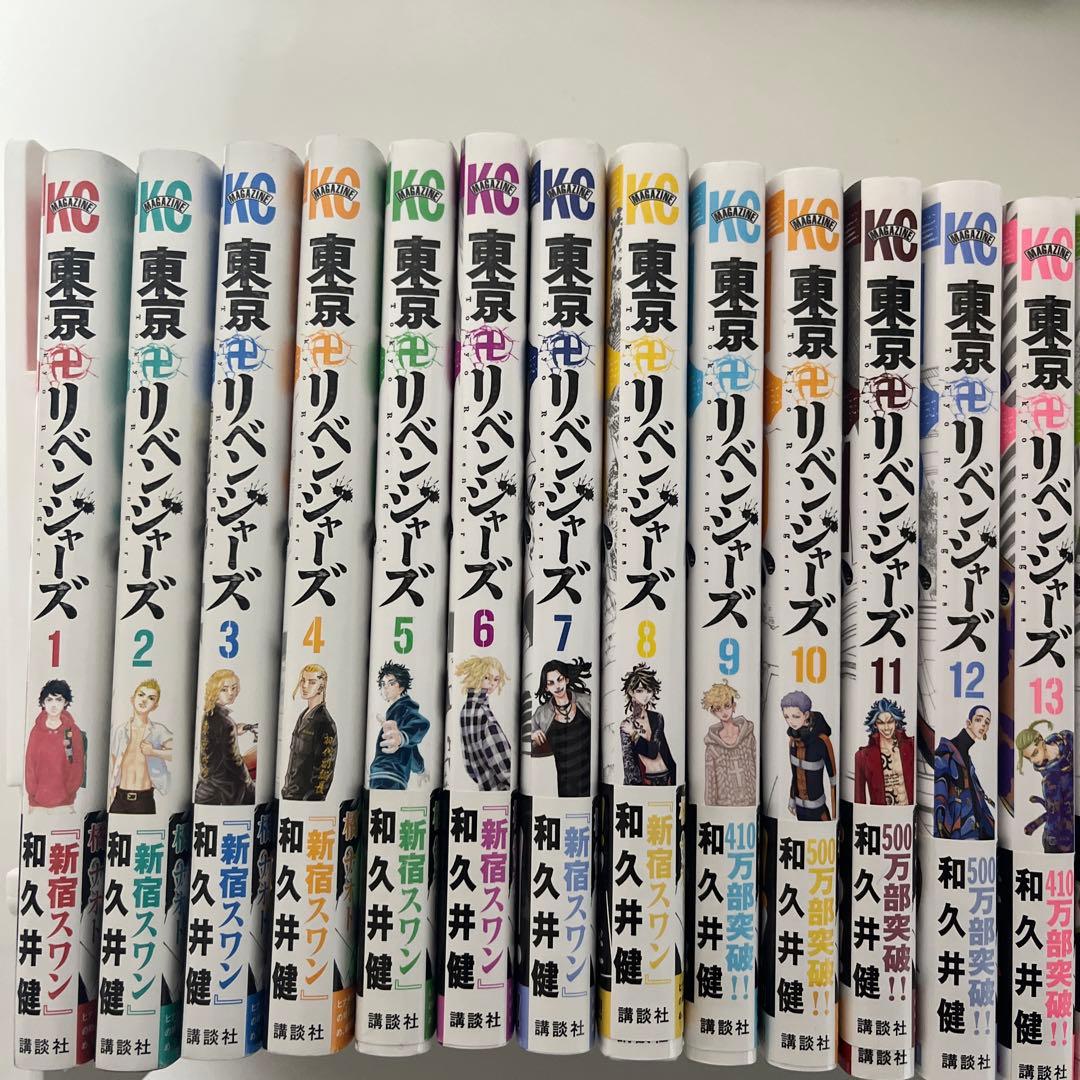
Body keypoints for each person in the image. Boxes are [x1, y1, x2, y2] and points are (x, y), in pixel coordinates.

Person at [108, 679, 173, 814]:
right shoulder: (120, 731)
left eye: (151, 698)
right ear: (132, 699)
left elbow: (175, 753)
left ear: (155, 706)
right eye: (141, 695)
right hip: (120, 797)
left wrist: (154, 752)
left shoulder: (158, 730)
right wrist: (111, 793)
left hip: (144, 799)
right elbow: (112, 761)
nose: (144, 700)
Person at [530, 657, 592, 797]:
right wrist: (533, 736)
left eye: (560, 679)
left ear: (566, 680)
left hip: (589, 784)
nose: (557, 686)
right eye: (551, 683)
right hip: (560, 788)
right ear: (546, 687)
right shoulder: (541, 714)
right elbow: (525, 743)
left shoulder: (587, 701)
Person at [194, 669, 254, 805]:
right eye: (224, 689)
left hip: (206, 784)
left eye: (234, 688)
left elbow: (214, 740)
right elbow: (234, 761)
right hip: (224, 789)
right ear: (214, 691)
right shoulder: (226, 723)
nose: (231, 693)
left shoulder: (209, 714)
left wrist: (234, 731)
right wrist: (249, 784)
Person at [934, 705, 994, 839]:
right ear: (968, 723)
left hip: (975, 831)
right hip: (956, 833)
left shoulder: (966, 758)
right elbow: (939, 797)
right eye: (978, 719)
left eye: (987, 722)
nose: (983, 725)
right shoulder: (946, 751)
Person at [369, 661, 430, 790]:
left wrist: (401, 737)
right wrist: (420, 769)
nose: (385, 688)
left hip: (389, 775)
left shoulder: (404, 708)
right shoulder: (394, 713)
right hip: (385, 774)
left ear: (401, 687)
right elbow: (411, 750)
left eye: (391, 683)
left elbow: (422, 723)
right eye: (383, 684)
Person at [25, 679, 85, 810]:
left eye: (58, 700)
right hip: (36, 802)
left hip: (66, 802)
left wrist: (69, 791)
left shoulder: (72, 731)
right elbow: (30, 764)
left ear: (65, 702)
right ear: (43, 703)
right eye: (49, 700)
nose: (53, 705)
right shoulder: (36, 731)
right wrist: (33, 792)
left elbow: (77, 763)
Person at [1016, 718, 1073, 854]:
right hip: (1063, 839)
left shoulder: (1068, 739)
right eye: (1029, 758)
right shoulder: (1050, 780)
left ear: (1041, 740)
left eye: (1034, 753)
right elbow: (1055, 815)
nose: (1033, 760)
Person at [455, 656, 512, 791]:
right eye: (487, 677)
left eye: (496, 679)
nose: (492, 683)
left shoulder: (465, 710)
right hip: (500, 791)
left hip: (483, 787)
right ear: (476, 675)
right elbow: (504, 766)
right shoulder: (485, 715)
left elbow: (468, 762)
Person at [281, 664, 337, 801]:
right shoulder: (303, 717)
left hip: (304, 802)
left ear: (322, 687)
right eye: (303, 680)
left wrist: (309, 803)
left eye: (312, 682)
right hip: (290, 795)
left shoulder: (325, 723)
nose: (305, 686)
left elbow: (324, 773)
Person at [781, 690, 837, 821]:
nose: (791, 722)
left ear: (806, 714)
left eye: (795, 716)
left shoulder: (822, 741)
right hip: (800, 809)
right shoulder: (792, 742)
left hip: (819, 811)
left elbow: (834, 780)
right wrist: (792, 799)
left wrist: (835, 814)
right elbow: (795, 774)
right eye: (786, 717)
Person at [620, 663, 676, 785]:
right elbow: (629, 763)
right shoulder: (626, 724)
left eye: (649, 690)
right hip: (647, 781)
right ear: (631, 692)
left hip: (667, 777)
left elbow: (653, 751)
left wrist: (634, 734)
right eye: (640, 691)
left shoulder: (657, 718)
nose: (645, 696)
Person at [702, 681, 756, 806]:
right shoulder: (712, 747)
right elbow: (710, 783)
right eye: (718, 709)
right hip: (724, 805)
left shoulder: (748, 737)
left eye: (727, 706)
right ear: (713, 712)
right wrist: (711, 809)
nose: (724, 712)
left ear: (734, 706)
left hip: (751, 802)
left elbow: (757, 767)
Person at [853, 698, 914, 806]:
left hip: (908, 812)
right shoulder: (862, 757)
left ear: (896, 722)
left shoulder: (911, 747)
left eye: (890, 721)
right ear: (875, 725)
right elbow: (859, 802)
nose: (886, 728)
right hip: (880, 814)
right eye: (881, 723)